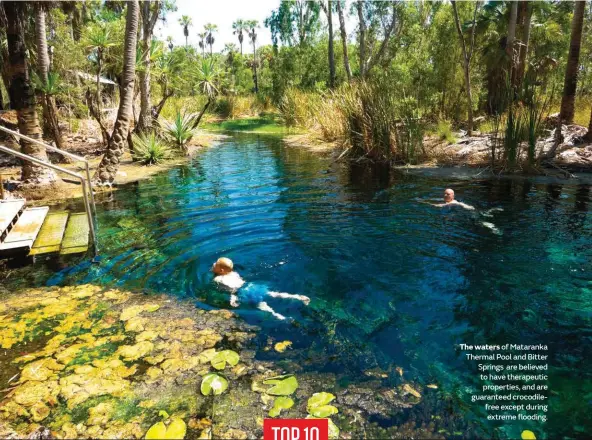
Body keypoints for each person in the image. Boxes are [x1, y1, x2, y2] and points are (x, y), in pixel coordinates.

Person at [212, 257, 310, 320]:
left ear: (221, 270)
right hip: (252, 286)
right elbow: (241, 281)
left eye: (215, 264)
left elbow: (231, 290)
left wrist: (233, 297)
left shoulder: (218, 279)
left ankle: (280, 317)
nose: (213, 264)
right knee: (273, 293)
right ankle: (296, 297)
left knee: (262, 306)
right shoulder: (234, 273)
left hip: (244, 292)